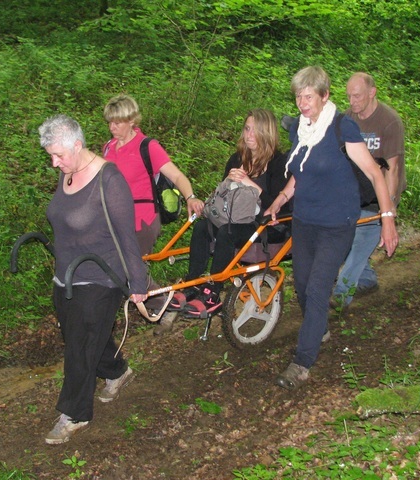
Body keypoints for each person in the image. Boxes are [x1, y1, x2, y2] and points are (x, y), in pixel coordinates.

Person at [265, 66, 398, 390]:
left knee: (318, 287)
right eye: (298, 95)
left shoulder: (343, 128)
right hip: (305, 220)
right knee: (303, 284)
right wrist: (281, 199)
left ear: (324, 96)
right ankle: (318, 323)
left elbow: (375, 174)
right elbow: (301, 170)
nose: (301, 101)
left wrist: (387, 220)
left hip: (337, 223)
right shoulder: (301, 130)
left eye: (308, 95)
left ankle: (302, 361)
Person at [39, 114, 148, 444]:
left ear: (77, 144)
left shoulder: (109, 181)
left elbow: (127, 237)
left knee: (79, 347)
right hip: (66, 277)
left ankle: (74, 414)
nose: (55, 163)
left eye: (59, 155)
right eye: (51, 157)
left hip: (101, 277)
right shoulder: (68, 173)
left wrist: (139, 285)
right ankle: (117, 371)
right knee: (82, 337)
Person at [166, 109, 291, 316]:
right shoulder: (237, 159)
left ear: (267, 133)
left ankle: (212, 292)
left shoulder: (279, 163)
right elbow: (222, 196)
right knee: (201, 227)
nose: (249, 135)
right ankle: (192, 283)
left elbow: (281, 207)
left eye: (255, 131)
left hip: (267, 225)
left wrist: (249, 183)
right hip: (234, 219)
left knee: (226, 232)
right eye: (247, 129)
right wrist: (227, 183)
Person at [102, 95, 205, 315]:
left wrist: (190, 197)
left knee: (131, 267)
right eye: (110, 122)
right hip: (113, 218)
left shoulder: (147, 146)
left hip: (142, 217)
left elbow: (177, 176)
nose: (112, 127)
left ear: (132, 121)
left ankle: (164, 307)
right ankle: (157, 303)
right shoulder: (108, 148)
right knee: (117, 264)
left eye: (117, 122)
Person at [331, 72, 406, 309]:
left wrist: (388, 209)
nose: (352, 101)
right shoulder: (348, 119)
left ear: (372, 93)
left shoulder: (389, 122)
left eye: (357, 96)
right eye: (349, 96)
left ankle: (342, 295)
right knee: (343, 240)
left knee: (361, 242)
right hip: (352, 194)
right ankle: (367, 279)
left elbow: (392, 169)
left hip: (377, 196)